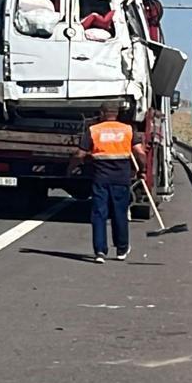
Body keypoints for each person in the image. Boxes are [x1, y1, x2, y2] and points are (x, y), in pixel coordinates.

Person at [68, 102, 146, 264]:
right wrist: (142, 170)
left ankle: (100, 252)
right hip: (121, 179)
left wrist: (71, 168)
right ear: (116, 113)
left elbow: (79, 154)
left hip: (101, 179)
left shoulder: (94, 130)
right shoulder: (127, 130)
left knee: (99, 214)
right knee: (119, 213)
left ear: (102, 113)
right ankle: (121, 249)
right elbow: (140, 153)